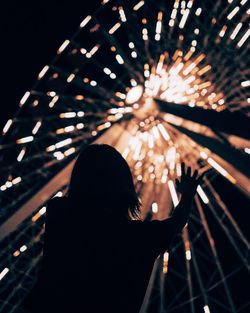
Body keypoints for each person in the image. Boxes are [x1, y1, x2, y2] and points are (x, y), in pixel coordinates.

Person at [21, 144, 204, 313]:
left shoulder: (60, 213)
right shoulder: (138, 238)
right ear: (124, 184)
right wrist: (186, 196)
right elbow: (176, 223)